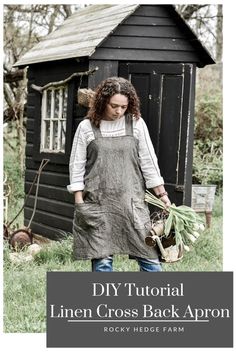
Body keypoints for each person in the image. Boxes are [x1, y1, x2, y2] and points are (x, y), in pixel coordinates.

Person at [67, 77, 171, 272]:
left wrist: (163, 195)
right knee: (103, 263)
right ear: (102, 102)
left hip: (131, 203)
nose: (119, 111)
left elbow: (149, 163)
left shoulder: (137, 124)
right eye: (114, 106)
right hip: (98, 204)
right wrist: (79, 202)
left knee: (151, 262)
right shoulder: (86, 127)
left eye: (124, 107)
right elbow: (77, 166)